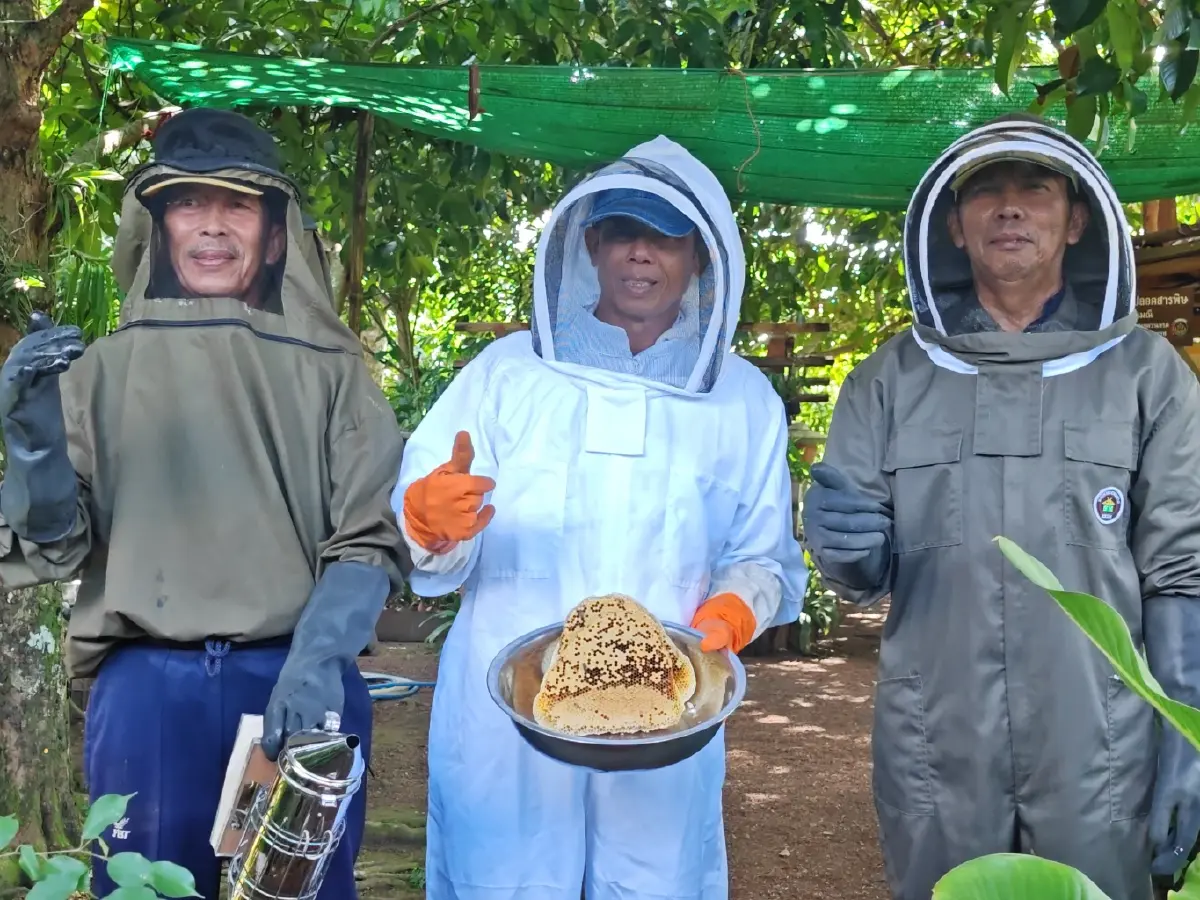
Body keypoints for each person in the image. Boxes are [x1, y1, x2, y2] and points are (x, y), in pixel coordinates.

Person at [0, 108, 409, 898]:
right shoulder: (100, 371)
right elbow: (55, 543)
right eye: (187, 203)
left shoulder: (336, 374)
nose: (212, 226)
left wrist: (317, 662)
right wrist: (32, 438)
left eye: (237, 204)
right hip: (147, 690)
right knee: (143, 887)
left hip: (300, 680)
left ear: (277, 232)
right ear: (156, 227)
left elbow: (370, 540)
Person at [393, 136, 808, 899]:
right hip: (508, 704)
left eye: (665, 236)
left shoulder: (741, 400)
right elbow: (429, 511)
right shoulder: (507, 374)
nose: (642, 254)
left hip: (666, 707)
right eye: (623, 232)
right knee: (504, 882)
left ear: (701, 258)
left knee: (654, 882)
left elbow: (764, 554)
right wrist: (429, 523)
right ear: (588, 244)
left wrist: (737, 607)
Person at [802, 112, 1200, 900]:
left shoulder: (1148, 376)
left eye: (1036, 189)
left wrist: (1188, 740)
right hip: (935, 744)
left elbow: (1182, 572)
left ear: (1077, 217)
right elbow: (860, 572)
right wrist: (843, 547)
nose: (1010, 207)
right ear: (953, 224)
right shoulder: (887, 380)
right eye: (987, 190)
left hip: (1103, 745)